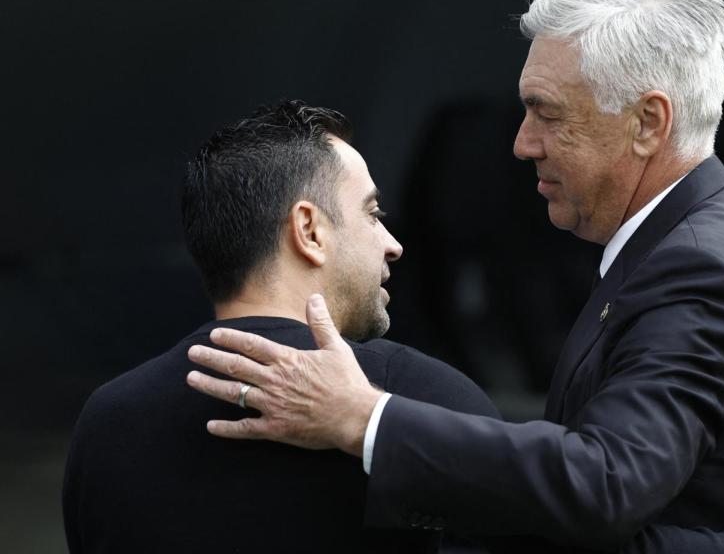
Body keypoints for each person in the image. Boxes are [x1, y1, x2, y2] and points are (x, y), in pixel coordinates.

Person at [187, 0, 724, 553]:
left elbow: (603, 488)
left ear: (647, 123)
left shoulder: (695, 264)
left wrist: (361, 417)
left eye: (546, 113)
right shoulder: (696, 240)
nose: (522, 144)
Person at [61, 101, 501, 553]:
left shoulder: (109, 422)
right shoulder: (426, 402)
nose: (393, 245)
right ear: (308, 230)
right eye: (372, 214)